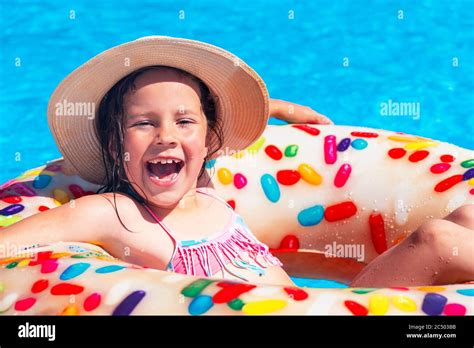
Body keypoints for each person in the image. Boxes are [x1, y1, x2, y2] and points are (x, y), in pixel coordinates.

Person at [1, 36, 472, 288]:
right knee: (436, 238)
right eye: (143, 125)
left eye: (183, 122)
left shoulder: (205, 187)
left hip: (334, 304)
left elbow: (227, 112)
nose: (166, 137)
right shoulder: (113, 215)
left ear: (208, 141)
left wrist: (285, 110)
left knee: (466, 213)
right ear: (112, 145)